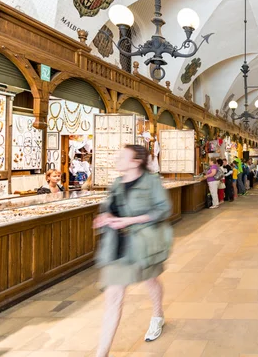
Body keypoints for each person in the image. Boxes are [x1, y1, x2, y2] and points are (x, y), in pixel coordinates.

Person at [93, 145, 172, 357]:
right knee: (113, 298)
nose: (117, 159)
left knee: (151, 280)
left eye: (122, 157)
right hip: (118, 248)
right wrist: (106, 216)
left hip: (144, 246)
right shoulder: (117, 183)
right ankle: (102, 353)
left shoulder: (151, 182)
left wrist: (131, 220)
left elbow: (164, 209)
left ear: (136, 161)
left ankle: (157, 315)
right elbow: (109, 207)